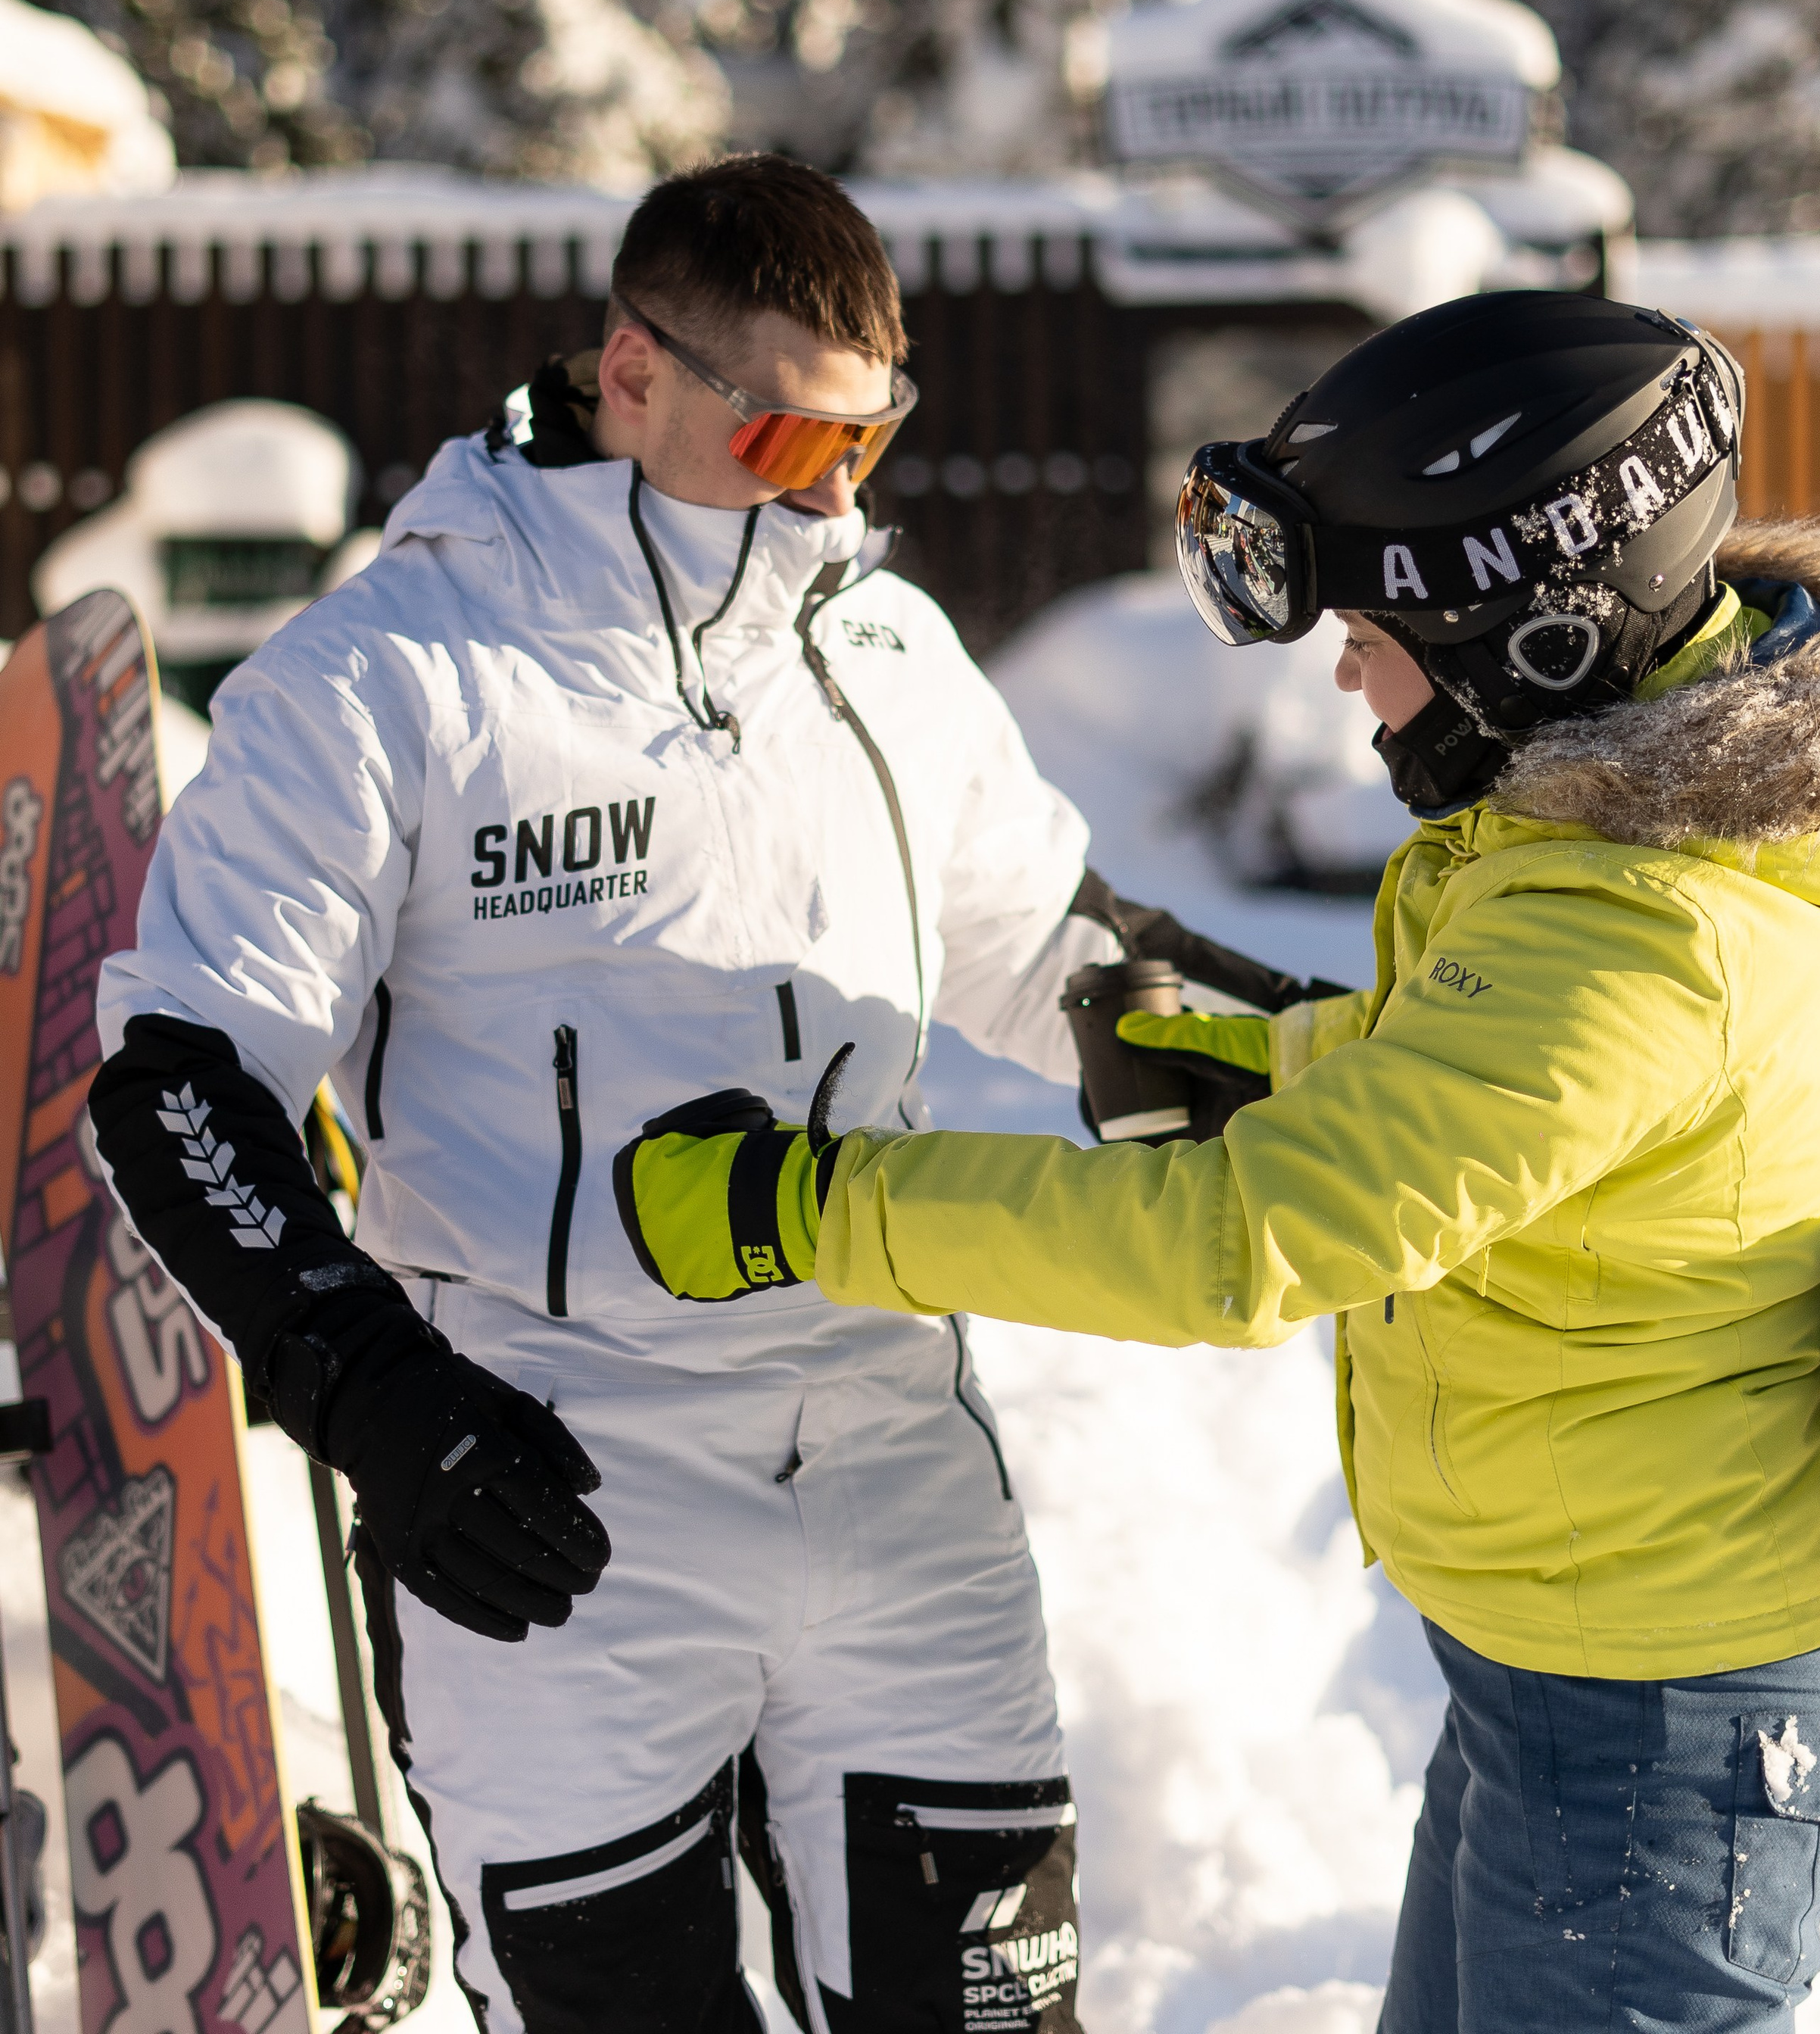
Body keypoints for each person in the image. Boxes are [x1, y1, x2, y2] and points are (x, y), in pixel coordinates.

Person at [621, 289, 1820, 2034]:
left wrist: (807, 1206)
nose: (1340, 668)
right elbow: (1525, 1097)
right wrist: (1267, 1060)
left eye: (1370, 626)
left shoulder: (1637, 928)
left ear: (1527, 635)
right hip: (1574, 1653)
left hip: (1658, 1717)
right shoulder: (1627, 814)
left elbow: (1238, 1247)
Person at [90, 154, 1170, 2034]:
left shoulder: (883, 649)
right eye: (779, 442)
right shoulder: (386, 681)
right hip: (547, 1487)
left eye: (870, 438)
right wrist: (374, 1393)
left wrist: (1304, 1059)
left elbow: (1046, 949)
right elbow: (183, 1079)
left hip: (895, 1464)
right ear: (631, 373)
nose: (833, 493)